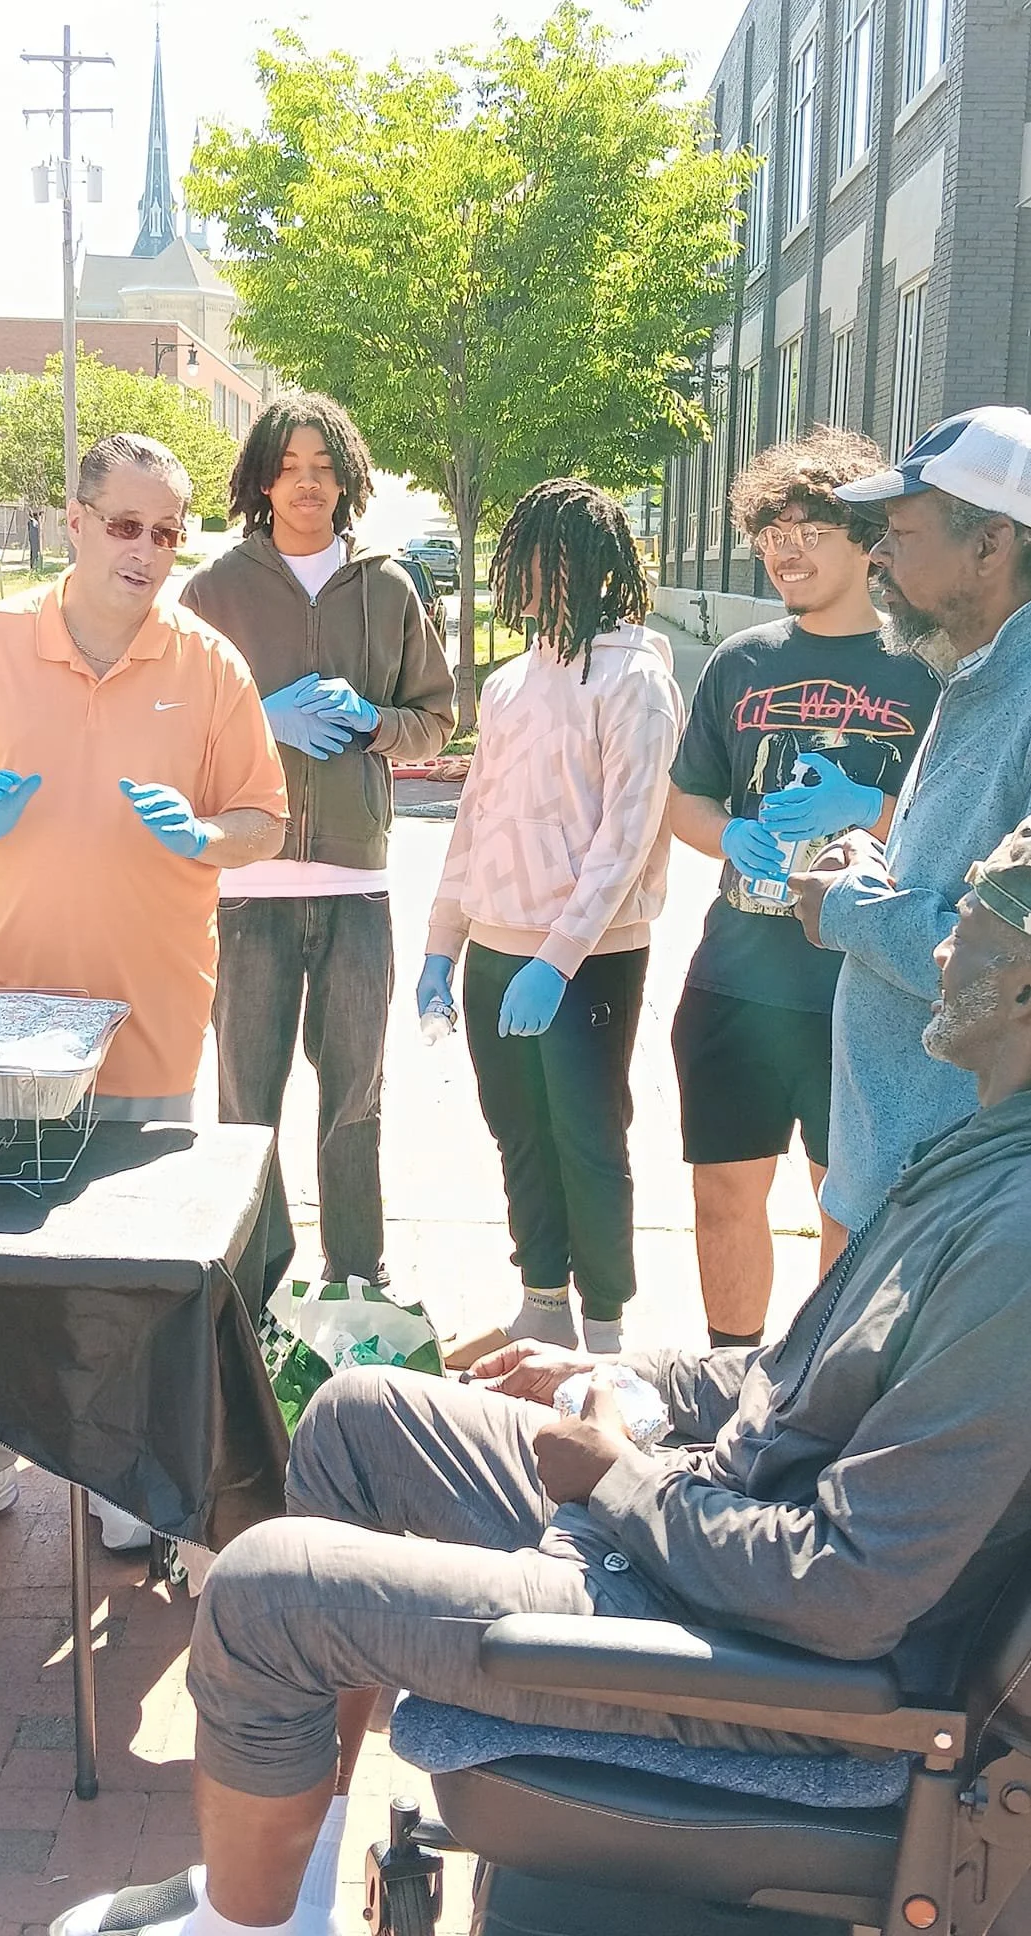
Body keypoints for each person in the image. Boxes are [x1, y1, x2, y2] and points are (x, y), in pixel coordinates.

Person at [54, 810, 1031, 1936]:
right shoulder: (981, 1147)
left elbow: (848, 1591)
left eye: (968, 921)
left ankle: (246, 1929)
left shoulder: (1010, 1242)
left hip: (772, 1656)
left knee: (264, 1592)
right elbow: (805, 1371)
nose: (942, 949)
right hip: (714, 1533)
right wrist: (614, 1373)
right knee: (351, 1418)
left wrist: (620, 1478)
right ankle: (289, 1884)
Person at [0, 432, 288, 1556]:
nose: (148, 551)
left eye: (168, 532)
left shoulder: (208, 666)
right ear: (73, 520)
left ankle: (120, 1471)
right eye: (125, 524)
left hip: (146, 1015)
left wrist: (209, 833)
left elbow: (264, 817)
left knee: (127, 1269)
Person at [668, 428, 939, 1348]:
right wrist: (727, 834)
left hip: (862, 987)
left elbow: (967, 833)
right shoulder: (740, 662)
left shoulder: (924, 671)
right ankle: (728, 1374)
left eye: (811, 528)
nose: (785, 547)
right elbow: (685, 797)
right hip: (735, 976)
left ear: (867, 540)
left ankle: (817, 1388)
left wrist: (871, 808)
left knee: (847, 1203)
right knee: (722, 1192)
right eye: (770, 529)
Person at [180, 393, 454, 1291]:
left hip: (351, 884)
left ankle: (354, 1289)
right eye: (291, 466)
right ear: (261, 477)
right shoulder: (212, 592)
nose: (308, 483)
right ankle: (248, 1291)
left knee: (353, 1106)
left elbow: (435, 722)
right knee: (243, 1109)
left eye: (325, 467)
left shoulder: (387, 586)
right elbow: (172, 730)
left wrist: (376, 720)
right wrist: (257, 720)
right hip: (245, 887)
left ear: (348, 479)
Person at [420, 480, 683, 1361]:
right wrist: (440, 946)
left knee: (588, 1137)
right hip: (494, 948)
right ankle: (540, 1302)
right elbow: (475, 818)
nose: (517, 577)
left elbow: (628, 830)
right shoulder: (506, 683)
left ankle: (603, 1332)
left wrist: (560, 957)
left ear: (583, 563)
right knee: (517, 1131)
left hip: (589, 962)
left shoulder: (634, 679)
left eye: (534, 558)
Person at [790, 405, 1031, 1233]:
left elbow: (1005, 977)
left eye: (898, 530)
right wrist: (875, 859)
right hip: (902, 1178)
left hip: (955, 1204)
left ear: (990, 544)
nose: (877, 554)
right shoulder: (972, 672)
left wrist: (848, 905)